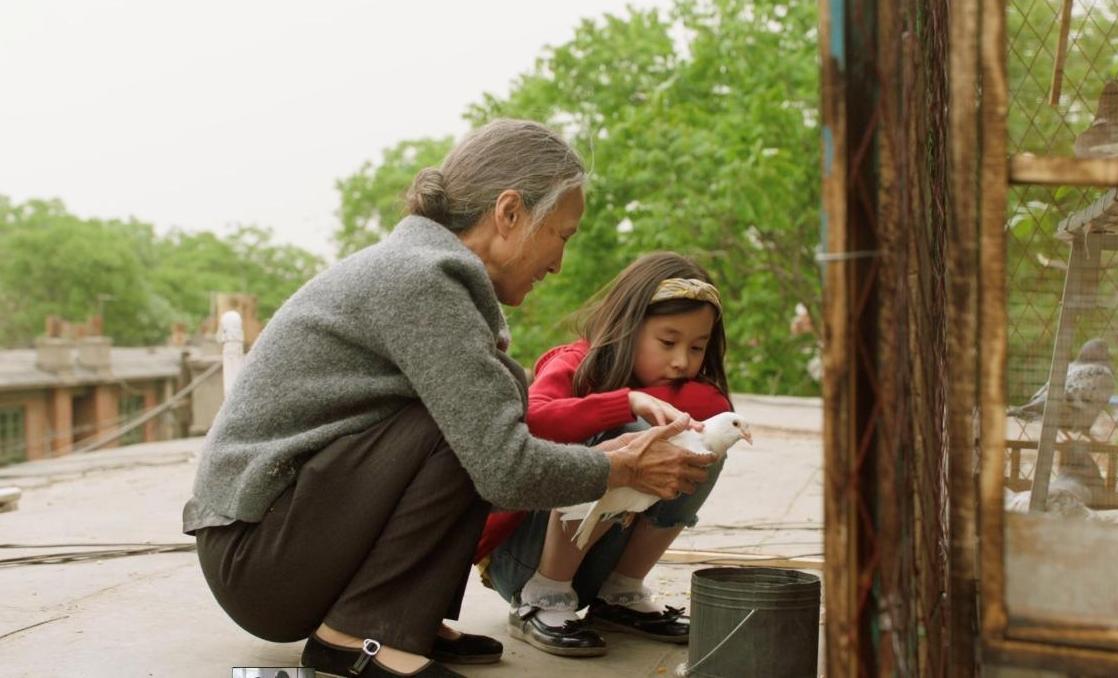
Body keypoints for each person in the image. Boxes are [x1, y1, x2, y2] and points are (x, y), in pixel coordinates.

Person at [182, 120, 716, 678]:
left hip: (277, 541)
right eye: (562, 234)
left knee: (472, 416)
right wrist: (622, 466)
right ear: (509, 213)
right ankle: (359, 637)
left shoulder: (423, 272)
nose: (558, 263)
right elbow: (505, 470)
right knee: (469, 430)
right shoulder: (420, 281)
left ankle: (403, 618)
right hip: (259, 559)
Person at [475, 252, 733, 657]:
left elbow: (715, 403)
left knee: (703, 446)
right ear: (628, 328)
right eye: (668, 342)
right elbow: (532, 419)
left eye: (697, 347)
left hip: (597, 561)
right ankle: (544, 599)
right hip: (523, 560)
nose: (682, 361)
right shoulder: (576, 364)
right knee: (632, 434)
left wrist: (646, 401)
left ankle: (620, 595)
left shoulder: (679, 384)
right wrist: (624, 402)